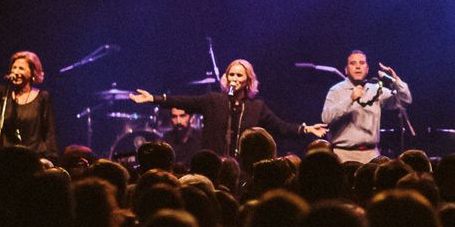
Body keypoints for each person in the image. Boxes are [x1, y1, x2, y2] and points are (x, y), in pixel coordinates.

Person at [130, 59, 325, 159]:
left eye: (239, 76)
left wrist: (306, 129)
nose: (234, 79)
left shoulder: (257, 108)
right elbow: (183, 101)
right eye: (231, 74)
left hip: (241, 167)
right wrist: (153, 98)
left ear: (248, 80)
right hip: (214, 163)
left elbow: (280, 126)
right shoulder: (213, 101)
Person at [0, 25, 57, 153]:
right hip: (7, 158)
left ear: (32, 73)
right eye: (13, 68)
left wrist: (50, 159)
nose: (16, 71)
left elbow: (49, 132)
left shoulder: (42, 97)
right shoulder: (3, 94)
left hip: (34, 158)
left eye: (21, 68)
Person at [321, 51, 411, 164]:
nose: (358, 66)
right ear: (346, 69)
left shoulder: (376, 89)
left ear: (367, 69)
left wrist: (395, 80)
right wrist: (350, 99)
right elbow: (326, 118)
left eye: (362, 63)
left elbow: (404, 101)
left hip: (371, 154)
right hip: (342, 154)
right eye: (353, 63)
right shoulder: (336, 90)